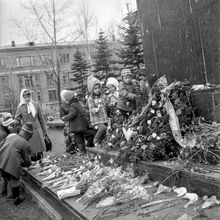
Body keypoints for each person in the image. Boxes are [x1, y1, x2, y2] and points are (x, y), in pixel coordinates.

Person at [0, 122, 33, 205]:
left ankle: (6, 193)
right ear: (28, 134)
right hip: (10, 163)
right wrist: (29, 164)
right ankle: (16, 198)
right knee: (15, 179)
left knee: (7, 177)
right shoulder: (25, 143)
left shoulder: (12, 136)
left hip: (1, 160)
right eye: (31, 135)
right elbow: (27, 160)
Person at [14, 89, 48, 161]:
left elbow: (41, 118)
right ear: (22, 97)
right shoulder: (20, 107)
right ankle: (33, 164)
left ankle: (41, 162)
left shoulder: (36, 105)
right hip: (28, 132)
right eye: (25, 96)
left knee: (40, 150)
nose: (27, 98)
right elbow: (17, 118)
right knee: (31, 150)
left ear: (30, 96)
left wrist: (45, 131)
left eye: (28, 95)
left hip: (38, 130)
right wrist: (16, 122)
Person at [61, 90, 92, 154]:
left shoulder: (72, 105)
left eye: (66, 99)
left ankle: (82, 151)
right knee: (81, 137)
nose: (66, 101)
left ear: (69, 99)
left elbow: (72, 114)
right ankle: (83, 150)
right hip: (81, 124)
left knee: (78, 138)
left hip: (77, 126)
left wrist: (65, 118)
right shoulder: (78, 103)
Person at [87, 76, 109, 147]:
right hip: (96, 119)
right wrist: (95, 109)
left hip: (103, 118)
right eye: (95, 88)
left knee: (106, 130)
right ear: (92, 89)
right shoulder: (91, 99)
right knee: (103, 128)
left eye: (98, 88)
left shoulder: (102, 96)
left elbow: (107, 102)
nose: (97, 90)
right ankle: (96, 140)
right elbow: (91, 108)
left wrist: (110, 103)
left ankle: (103, 142)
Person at [0, 113, 15, 197]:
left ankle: (2, 192)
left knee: (4, 177)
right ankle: (10, 194)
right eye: (9, 125)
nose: (10, 127)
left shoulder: (2, 131)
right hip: (3, 157)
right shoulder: (4, 134)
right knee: (9, 177)